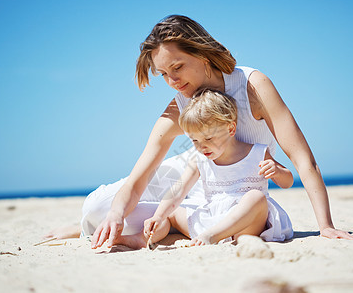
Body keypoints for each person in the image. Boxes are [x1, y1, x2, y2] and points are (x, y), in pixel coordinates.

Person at [46, 14, 353, 247]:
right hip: (192, 176)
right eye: (163, 74)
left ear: (201, 53)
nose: (172, 81)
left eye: (178, 67)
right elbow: (140, 175)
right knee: (99, 209)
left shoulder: (253, 86)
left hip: (234, 189)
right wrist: (116, 213)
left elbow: (303, 160)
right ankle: (86, 227)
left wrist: (326, 225)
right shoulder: (178, 106)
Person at [115, 89, 293, 249]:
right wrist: (158, 216)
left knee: (256, 197)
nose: (202, 147)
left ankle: (213, 236)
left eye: (208, 138)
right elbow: (178, 190)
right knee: (171, 213)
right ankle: (141, 239)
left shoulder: (257, 152)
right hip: (211, 218)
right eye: (195, 141)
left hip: (247, 224)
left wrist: (277, 171)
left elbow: (288, 182)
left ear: (231, 129)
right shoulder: (199, 158)